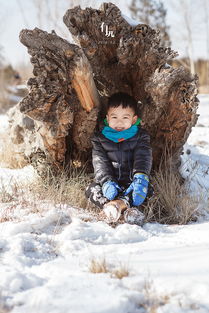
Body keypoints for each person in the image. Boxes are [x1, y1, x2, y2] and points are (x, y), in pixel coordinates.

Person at [85, 92, 152, 225]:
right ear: (107, 118)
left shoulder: (141, 137)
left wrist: (140, 177)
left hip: (131, 183)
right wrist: (106, 181)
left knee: (148, 189)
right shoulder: (99, 138)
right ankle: (115, 207)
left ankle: (119, 206)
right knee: (90, 189)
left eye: (125, 117)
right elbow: (100, 162)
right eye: (114, 117)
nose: (119, 122)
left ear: (133, 120)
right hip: (110, 184)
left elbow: (143, 158)